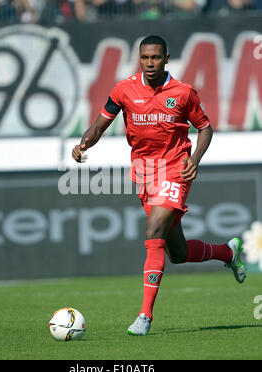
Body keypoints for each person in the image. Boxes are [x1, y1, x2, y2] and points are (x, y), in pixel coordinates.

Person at [72, 35, 246, 336]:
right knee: (176, 253)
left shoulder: (183, 93)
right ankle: (228, 254)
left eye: (155, 58)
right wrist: (84, 143)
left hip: (176, 169)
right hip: (144, 173)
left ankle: (144, 317)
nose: (149, 63)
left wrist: (196, 158)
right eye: (144, 58)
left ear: (166, 59)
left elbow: (205, 128)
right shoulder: (124, 89)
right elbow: (100, 125)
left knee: (153, 231)